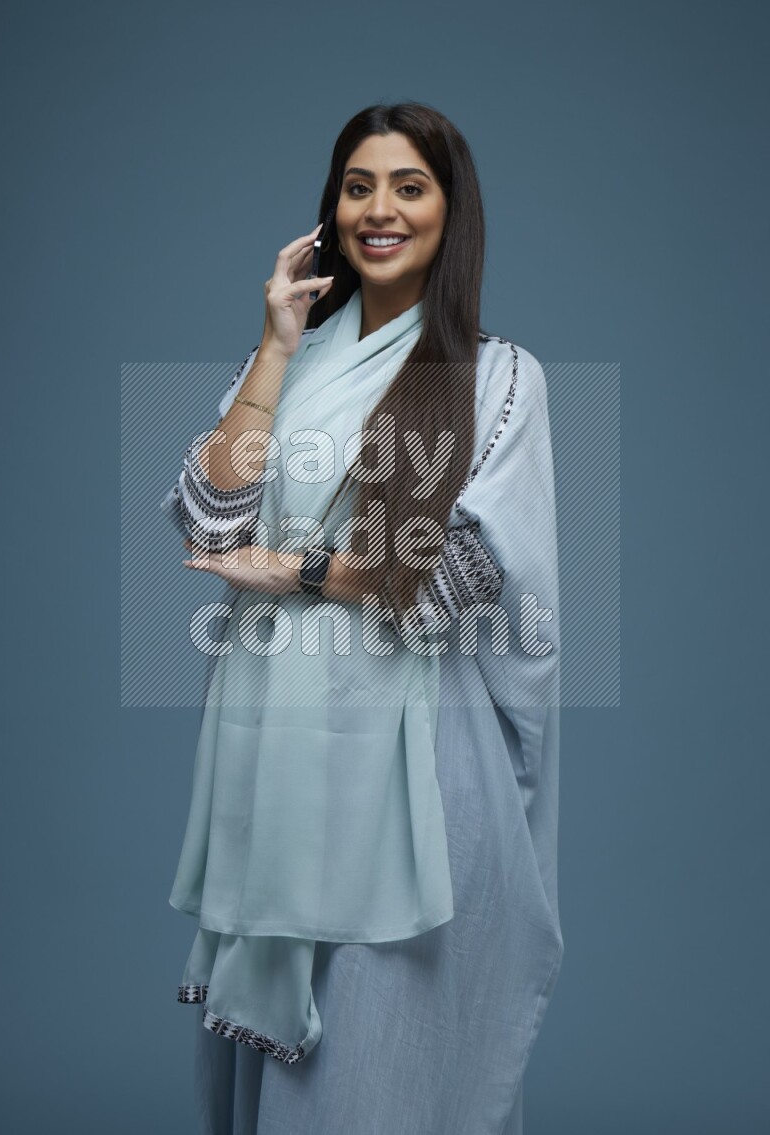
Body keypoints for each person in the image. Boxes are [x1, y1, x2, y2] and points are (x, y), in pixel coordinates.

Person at [163, 101, 563, 1135]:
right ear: (330, 207)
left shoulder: (497, 374)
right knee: (291, 1064)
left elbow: (455, 581)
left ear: (448, 210)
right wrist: (271, 342)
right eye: (356, 185)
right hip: (271, 748)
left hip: (415, 765)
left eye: (407, 186)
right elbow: (209, 513)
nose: (377, 209)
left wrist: (297, 568)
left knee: (378, 1059)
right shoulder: (290, 366)